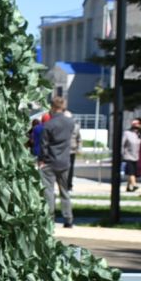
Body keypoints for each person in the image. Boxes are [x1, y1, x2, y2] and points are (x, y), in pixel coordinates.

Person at [37, 95, 79, 227]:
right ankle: (68, 219)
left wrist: (42, 160)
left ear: (52, 107)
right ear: (63, 106)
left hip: (50, 162)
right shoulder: (70, 122)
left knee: (49, 191)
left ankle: (50, 219)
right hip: (65, 161)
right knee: (65, 191)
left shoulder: (48, 125)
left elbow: (44, 145)